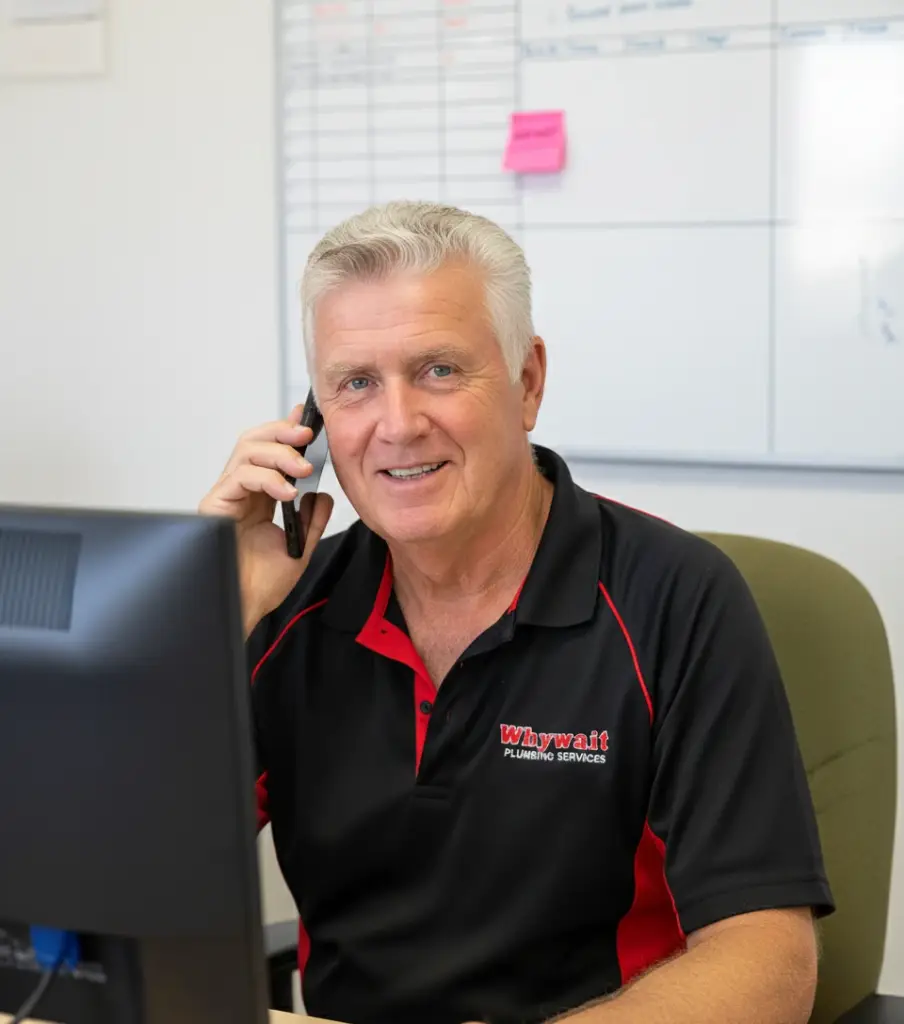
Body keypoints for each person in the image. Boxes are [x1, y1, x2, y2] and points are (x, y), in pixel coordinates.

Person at [199, 201, 834, 1024]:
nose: (397, 424)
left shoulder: (676, 598)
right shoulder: (287, 606)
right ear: (314, 424)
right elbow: (121, 879)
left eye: (438, 370)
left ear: (528, 381)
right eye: (355, 384)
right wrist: (212, 606)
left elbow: (769, 964)